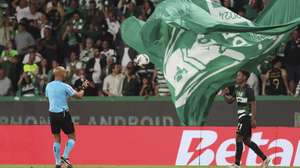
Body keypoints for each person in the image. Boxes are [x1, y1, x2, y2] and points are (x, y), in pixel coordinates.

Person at [222, 70, 270, 168]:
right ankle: (265, 159)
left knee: (238, 138)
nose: (237, 77)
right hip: (242, 117)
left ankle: (236, 164)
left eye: (238, 75)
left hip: (246, 116)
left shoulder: (248, 90)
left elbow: (253, 104)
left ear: (244, 77)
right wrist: (224, 94)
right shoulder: (237, 89)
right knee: (247, 141)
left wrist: (253, 119)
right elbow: (230, 101)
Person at [45, 66, 88, 168]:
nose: (66, 74)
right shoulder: (65, 86)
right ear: (61, 74)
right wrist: (83, 87)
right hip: (63, 113)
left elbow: (49, 98)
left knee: (56, 139)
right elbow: (79, 96)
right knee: (72, 136)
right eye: (64, 72)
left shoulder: (48, 86)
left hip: (52, 114)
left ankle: (57, 163)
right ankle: (65, 156)